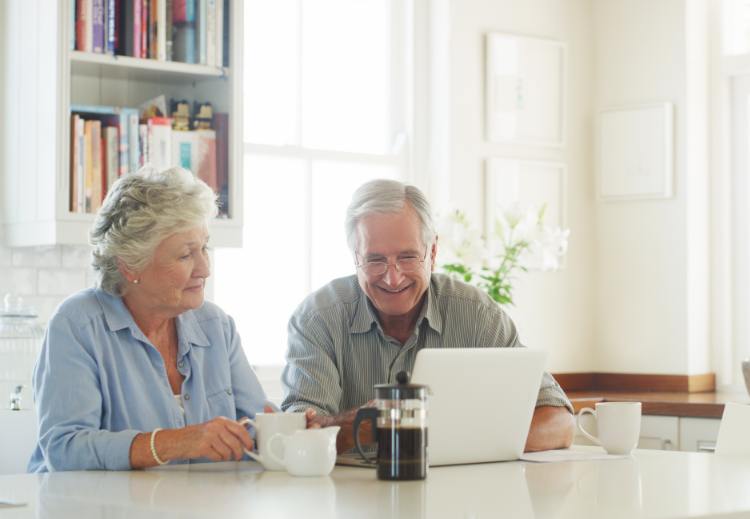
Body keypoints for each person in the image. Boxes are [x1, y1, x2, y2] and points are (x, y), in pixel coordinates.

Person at [281, 179, 576, 453]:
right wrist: (365, 426)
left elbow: (559, 422)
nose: (393, 278)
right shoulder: (317, 319)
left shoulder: (477, 315)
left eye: (407, 257)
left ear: (432, 253)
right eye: (375, 260)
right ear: (355, 258)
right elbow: (299, 433)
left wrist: (440, 438)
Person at [29, 167, 272, 472]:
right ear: (131, 267)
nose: (204, 268)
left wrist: (294, 430)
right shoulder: (78, 325)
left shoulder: (216, 325)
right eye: (185, 255)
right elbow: (65, 449)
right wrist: (175, 442)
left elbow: (257, 424)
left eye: (204, 248)